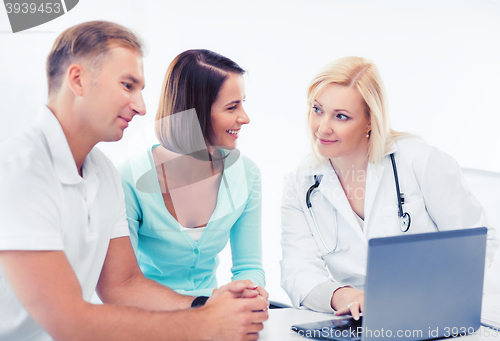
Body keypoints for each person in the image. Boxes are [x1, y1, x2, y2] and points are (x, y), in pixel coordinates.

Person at [0, 21, 268, 341]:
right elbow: (69, 321)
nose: (141, 107)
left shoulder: (104, 173)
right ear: (78, 80)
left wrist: (206, 305)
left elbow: (123, 285)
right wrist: (204, 323)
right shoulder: (18, 171)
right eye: (128, 86)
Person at [280, 56, 499, 320]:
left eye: (341, 116)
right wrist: (344, 296)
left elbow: (479, 241)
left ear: (370, 120)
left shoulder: (418, 160)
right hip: (360, 318)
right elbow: (297, 270)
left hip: (435, 310)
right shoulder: (301, 183)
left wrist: (439, 296)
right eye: (317, 110)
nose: (322, 127)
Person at [118, 49, 266, 298]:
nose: (245, 118)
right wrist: (206, 304)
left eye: (242, 103)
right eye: (231, 107)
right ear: (194, 114)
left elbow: (249, 266)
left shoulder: (247, 174)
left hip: (216, 315)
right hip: (149, 320)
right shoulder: (129, 179)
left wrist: (248, 292)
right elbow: (123, 286)